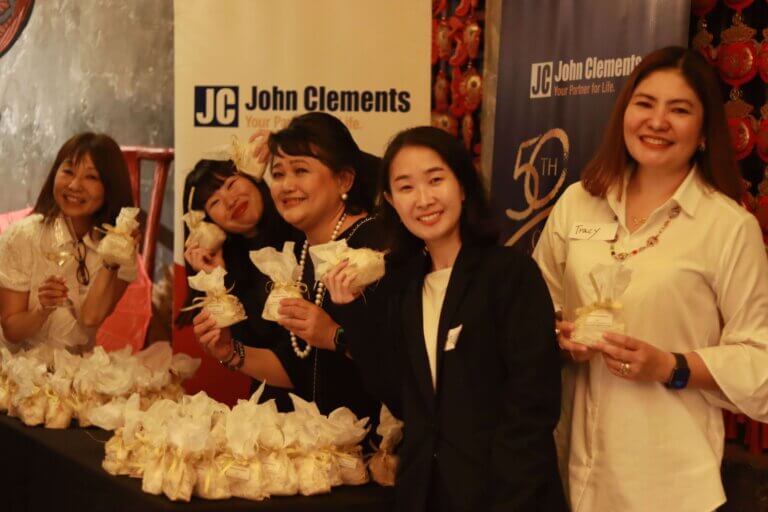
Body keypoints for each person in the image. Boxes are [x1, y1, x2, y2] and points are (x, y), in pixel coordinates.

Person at [532, 46, 768, 511]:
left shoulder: (727, 227)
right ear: (624, 114)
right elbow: (535, 304)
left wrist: (671, 366)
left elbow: (760, 363)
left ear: (703, 133)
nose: (657, 121)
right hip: (567, 467)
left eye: (679, 110)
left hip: (667, 481)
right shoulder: (578, 202)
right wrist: (556, 332)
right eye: (645, 104)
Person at [324, 126, 566, 511]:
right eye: (405, 188)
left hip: (505, 496)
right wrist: (353, 314)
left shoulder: (508, 274)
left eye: (435, 180)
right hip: (426, 493)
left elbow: (532, 406)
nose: (423, 199)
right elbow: (402, 399)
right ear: (390, 200)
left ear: (463, 184)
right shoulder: (403, 286)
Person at [192, 112, 382, 422]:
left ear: (344, 179)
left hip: (377, 446)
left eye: (301, 170)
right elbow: (298, 368)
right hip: (330, 448)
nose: (286, 186)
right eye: (278, 174)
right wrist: (229, 351)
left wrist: (335, 336)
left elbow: (405, 360)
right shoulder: (306, 252)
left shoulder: (374, 243)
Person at [0, 132, 137, 353]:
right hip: (17, 370)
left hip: (77, 373)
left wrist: (112, 260)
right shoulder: (22, 237)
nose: (74, 185)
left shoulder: (120, 248)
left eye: (91, 177)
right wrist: (42, 309)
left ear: (110, 187)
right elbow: (11, 331)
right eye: (68, 171)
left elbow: (91, 318)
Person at [178, 157, 295, 405]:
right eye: (215, 202)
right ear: (208, 222)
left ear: (253, 176)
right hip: (274, 406)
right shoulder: (227, 269)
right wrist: (217, 281)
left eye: (231, 184)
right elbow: (245, 349)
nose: (230, 201)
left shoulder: (302, 223)